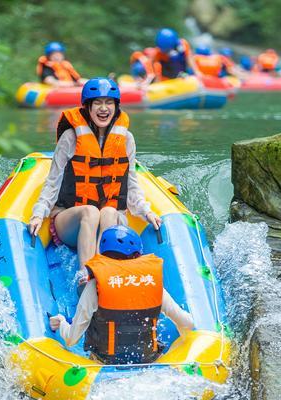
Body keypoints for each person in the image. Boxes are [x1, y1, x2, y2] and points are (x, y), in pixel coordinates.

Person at [28, 78, 162, 274]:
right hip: (71, 219)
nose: (103, 108)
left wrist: (146, 211)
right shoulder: (70, 138)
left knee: (108, 211)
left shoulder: (126, 140)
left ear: (116, 107)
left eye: (109, 103)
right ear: (87, 107)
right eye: (97, 103)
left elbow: (131, 184)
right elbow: (52, 182)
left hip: (108, 222)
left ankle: (104, 272)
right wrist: (39, 214)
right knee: (91, 211)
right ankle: (86, 275)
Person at [49, 225, 194, 364]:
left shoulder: (95, 286)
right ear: (137, 255)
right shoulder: (150, 281)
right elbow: (187, 324)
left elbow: (71, 339)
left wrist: (62, 322)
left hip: (105, 365)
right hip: (149, 362)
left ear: (104, 255)